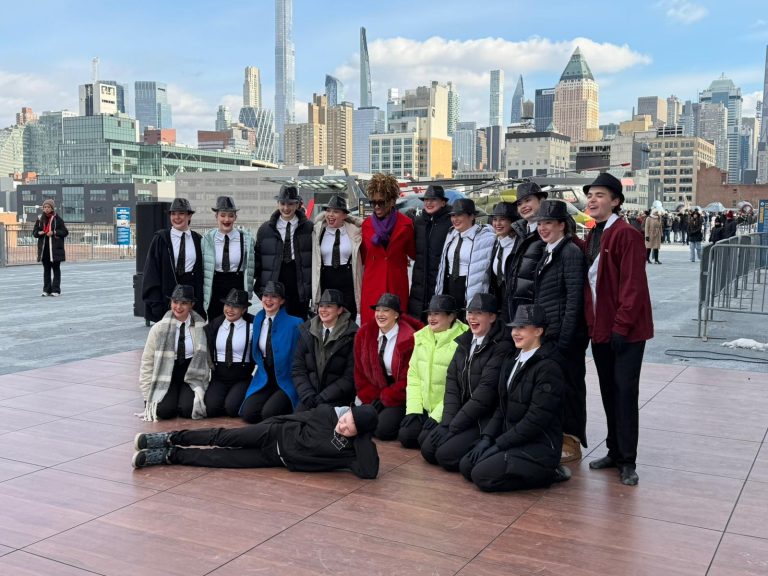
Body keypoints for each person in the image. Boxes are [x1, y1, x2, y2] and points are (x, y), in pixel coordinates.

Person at [582, 172, 653, 486]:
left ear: (615, 201)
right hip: (601, 329)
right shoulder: (594, 234)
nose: (592, 200)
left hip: (626, 331)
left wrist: (621, 327)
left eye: (599, 195)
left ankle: (627, 461)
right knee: (609, 392)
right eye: (590, 195)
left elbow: (633, 286)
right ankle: (613, 450)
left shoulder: (627, 234)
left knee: (624, 394)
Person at [459, 304, 570, 492]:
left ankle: (547, 474)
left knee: (481, 475)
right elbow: (502, 407)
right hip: (513, 439)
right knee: (466, 466)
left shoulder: (549, 368)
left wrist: (499, 445)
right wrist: (487, 439)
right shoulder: (512, 360)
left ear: (538, 331)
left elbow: (536, 420)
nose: (515, 333)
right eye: (514, 328)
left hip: (538, 446)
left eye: (522, 328)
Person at [131, 404, 380, 479]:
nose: (343, 425)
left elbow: (369, 471)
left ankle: (170, 455)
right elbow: (293, 417)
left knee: (220, 458)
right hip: (272, 433)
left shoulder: (350, 451)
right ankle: (170, 437)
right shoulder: (326, 414)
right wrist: (264, 426)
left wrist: (362, 436)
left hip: (274, 458)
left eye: (350, 427)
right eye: (346, 419)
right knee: (222, 436)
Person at [423, 293, 512, 471]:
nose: (472, 318)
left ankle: (484, 450)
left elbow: (485, 395)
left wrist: (453, 426)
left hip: (484, 420)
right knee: (427, 449)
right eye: (470, 312)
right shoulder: (465, 340)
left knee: (444, 455)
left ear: (492, 317)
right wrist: (447, 422)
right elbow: (452, 384)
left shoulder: (502, 346)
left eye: (479, 313)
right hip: (463, 415)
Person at [532, 199, 589, 463]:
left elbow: (574, 299)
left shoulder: (570, 252)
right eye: (540, 223)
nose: (543, 228)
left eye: (548, 223)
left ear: (562, 225)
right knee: (556, 388)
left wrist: (565, 339)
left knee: (571, 389)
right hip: (550, 334)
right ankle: (557, 437)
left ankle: (572, 441)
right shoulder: (548, 250)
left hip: (566, 337)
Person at [398, 294, 467, 449]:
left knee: (426, 442)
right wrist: (414, 409)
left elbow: (458, 386)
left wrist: (438, 415)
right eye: (429, 314)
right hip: (425, 407)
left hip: (448, 410)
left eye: (437, 313)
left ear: (451, 316)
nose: (431, 318)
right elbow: (414, 376)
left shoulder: (463, 340)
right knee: (406, 436)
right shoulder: (422, 336)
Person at [354, 293, 423, 440]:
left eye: (386, 310)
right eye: (378, 310)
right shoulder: (364, 334)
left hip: (399, 395)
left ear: (396, 314)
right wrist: (372, 396)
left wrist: (387, 396)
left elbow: (410, 379)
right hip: (375, 392)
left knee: (382, 429)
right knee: (360, 423)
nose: (380, 314)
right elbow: (360, 372)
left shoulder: (409, 338)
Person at [138, 284, 210, 421]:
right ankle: (173, 399)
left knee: (188, 410)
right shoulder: (158, 328)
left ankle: (181, 398)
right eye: (175, 302)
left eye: (184, 303)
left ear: (192, 305)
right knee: (163, 411)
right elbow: (147, 361)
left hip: (190, 374)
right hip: (166, 375)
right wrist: (147, 396)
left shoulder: (201, 327)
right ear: (170, 303)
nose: (178, 307)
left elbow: (207, 360)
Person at [240, 281, 302, 423]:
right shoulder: (258, 319)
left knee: (268, 414)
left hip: (286, 378)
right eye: (265, 296)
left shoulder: (296, 323)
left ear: (282, 301)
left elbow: (301, 357)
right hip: (265, 377)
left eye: (274, 296)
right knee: (249, 414)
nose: (268, 300)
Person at [359, 173, 416, 326]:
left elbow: (413, 253)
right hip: (372, 285)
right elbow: (362, 256)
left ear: (391, 201)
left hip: (396, 284)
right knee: (371, 327)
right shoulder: (366, 225)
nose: (376, 207)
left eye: (381, 202)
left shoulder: (406, 224)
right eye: (373, 202)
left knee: (398, 327)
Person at [293, 289, 358, 411]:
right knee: (294, 421)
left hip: (337, 398)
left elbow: (350, 376)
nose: (323, 310)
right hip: (310, 397)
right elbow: (298, 368)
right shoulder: (306, 330)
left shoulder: (352, 335)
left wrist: (324, 397)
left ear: (340, 310)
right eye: (321, 306)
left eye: (329, 306)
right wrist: (307, 394)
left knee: (320, 421)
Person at [142, 198, 206, 323]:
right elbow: (151, 272)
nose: (177, 217)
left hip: (191, 299)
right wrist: (155, 303)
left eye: (181, 213)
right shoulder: (161, 239)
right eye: (173, 214)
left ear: (189, 216)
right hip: (167, 296)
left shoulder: (198, 240)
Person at [255, 184, 313, 320]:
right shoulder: (265, 229)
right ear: (278, 204)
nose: (286, 208)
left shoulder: (309, 228)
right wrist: (261, 287)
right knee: (275, 320)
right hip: (275, 278)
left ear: (297, 204)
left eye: (290, 204)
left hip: (298, 281)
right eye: (282, 203)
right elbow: (258, 260)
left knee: (299, 321)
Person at [434, 198, 495, 320]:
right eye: (453, 215)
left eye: (459, 215)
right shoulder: (451, 234)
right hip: (450, 286)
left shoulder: (486, 237)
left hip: (470, 287)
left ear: (472, 216)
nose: (455, 219)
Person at [203, 288, 256, 418]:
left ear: (244, 309)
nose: (230, 310)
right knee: (211, 409)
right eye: (227, 305)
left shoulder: (252, 327)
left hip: (241, 377)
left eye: (235, 307)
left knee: (232, 409)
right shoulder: (215, 325)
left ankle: (237, 398)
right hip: (219, 376)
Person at [201, 196, 256, 321]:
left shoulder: (246, 239)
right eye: (223, 215)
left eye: (231, 215)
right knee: (215, 323)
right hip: (215, 286)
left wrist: (248, 292)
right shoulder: (206, 239)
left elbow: (251, 268)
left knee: (237, 323)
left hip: (237, 284)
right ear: (216, 216)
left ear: (235, 217)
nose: (226, 219)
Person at [311, 195, 362, 320]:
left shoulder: (355, 231)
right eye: (328, 211)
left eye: (336, 211)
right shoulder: (317, 231)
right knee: (328, 318)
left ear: (344, 215)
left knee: (348, 319)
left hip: (348, 281)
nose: (330, 215)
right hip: (326, 280)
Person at [505, 181, 548, 323]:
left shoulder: (548, 234)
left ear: (541, 201)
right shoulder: (520, 232)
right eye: (519, 204)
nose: (523, 206)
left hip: (537, 311)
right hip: (518, 308)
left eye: (528, 200)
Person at [408, 185, 453, 319]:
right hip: (419, 286)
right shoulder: (419, 222)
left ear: (443, 202)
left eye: (433, 200)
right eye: (426, 200)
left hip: (441, 285)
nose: (428, 203)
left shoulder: (450, 223)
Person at [487, 202, 520, 314]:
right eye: (495, 219)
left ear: (512, 222)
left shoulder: (519, 244)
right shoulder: (496, 243)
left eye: (502, 219)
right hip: (498, 298)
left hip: (513, 299)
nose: (497, 223)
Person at [32, 198, 68, 297]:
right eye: (45, 207)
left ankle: (56, 290)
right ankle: (46, 290)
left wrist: (54, 232)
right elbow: (34, 233)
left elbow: (65, 232)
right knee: (46, 270)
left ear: (52, 208)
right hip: (44, 250)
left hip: (55, 250)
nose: (46, 209)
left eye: (48, 207)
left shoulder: (57, 219)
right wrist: (40, 233)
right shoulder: (39, 219)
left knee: (56, 269)